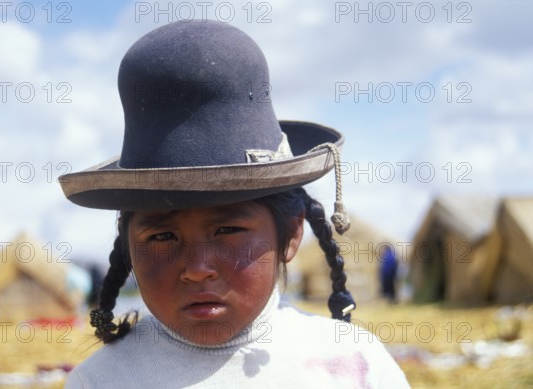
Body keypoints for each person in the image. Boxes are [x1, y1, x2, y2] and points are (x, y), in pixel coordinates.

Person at [60, 20, 409, 388]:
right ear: (128, 244)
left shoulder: (354, 366)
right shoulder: (102, 381)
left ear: (290, 233)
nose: (197, 269)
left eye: (227, 230)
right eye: (162, 236)